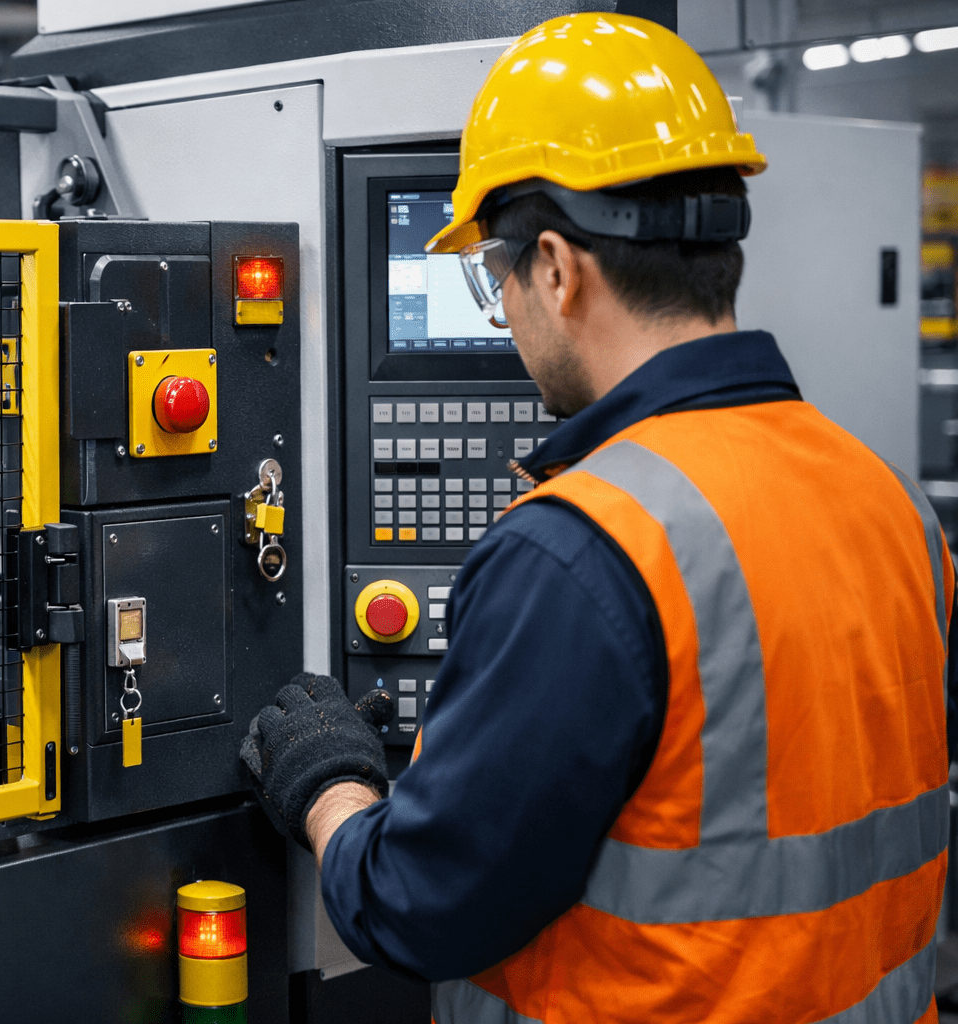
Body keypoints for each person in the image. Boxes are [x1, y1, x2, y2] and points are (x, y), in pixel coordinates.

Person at [240, 13, 954, 1022]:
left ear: (558, 269)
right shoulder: (888, 498)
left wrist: (328, 783)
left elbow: (421, 904)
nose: (512, 317)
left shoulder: (580, 550)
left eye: (498, 280)